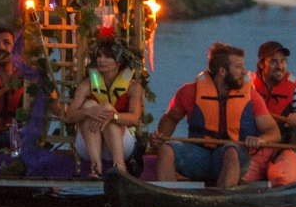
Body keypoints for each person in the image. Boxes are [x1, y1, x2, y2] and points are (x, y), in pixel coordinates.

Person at [148, 42, 281, 189]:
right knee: (166, 149)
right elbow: (170, 119)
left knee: (231, 151)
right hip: (197, 156)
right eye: (239, 67)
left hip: (233, 156)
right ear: (222, 71)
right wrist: (159, 138)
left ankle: (222, 198)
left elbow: (273, 132)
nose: (244, 72)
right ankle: (170, 194)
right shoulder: (188, 92)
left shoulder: (251, 96)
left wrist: (260, 140)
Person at [245, 41, 296, 186]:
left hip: (284, 149)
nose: (280, 66)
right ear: (261, 64)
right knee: (239, 178)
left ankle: (283, 181)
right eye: (274, 62)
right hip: (255, 149)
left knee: (281, 179)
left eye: (283, 61)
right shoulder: (247, 84)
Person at [63, 39, 144, 178]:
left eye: (108, 57)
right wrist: (88, 112)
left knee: (107, 109)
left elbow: (135, 118)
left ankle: (120, 167)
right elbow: (69, 116)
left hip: (122, 143)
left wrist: (113, 116)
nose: (102, 60)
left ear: (119, 62)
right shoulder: (87, 84)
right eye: (99, 56)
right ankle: (96, 168)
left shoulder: (133, 86)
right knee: (90, 105)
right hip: (89, 144)